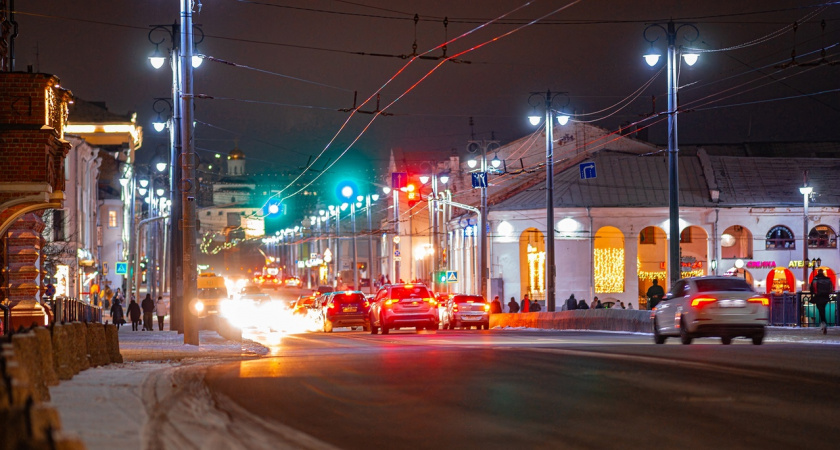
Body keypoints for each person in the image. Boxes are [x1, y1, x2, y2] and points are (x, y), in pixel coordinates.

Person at [810, 269, 834, 334]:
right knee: (822, 310)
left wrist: (812, 295)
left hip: (818, 297)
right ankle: (823, 324)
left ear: (818, 272)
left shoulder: (815, 279)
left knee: (821, 310)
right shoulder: (827, 279)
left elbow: (811, 288)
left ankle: (823, 323)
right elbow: (832, 288)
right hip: (825, 297)